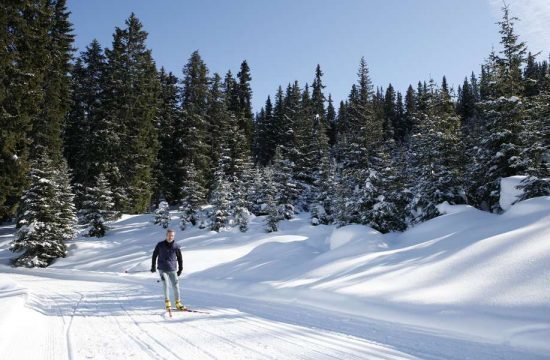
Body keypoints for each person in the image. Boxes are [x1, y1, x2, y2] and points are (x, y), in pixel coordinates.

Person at [151, 229, 186, 310]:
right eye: (169, 235)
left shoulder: (176, 246)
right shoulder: (160, 245)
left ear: (174, 236)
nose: (170, 237)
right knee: (166, 284)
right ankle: (167, 302)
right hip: (162, 269)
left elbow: (180, 258)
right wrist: (153, 266)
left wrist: (180, 269)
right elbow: (154, 255)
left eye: (172, 235)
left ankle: (178, 303)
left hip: (172, 269)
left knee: (176, 285)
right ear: (166, 235)